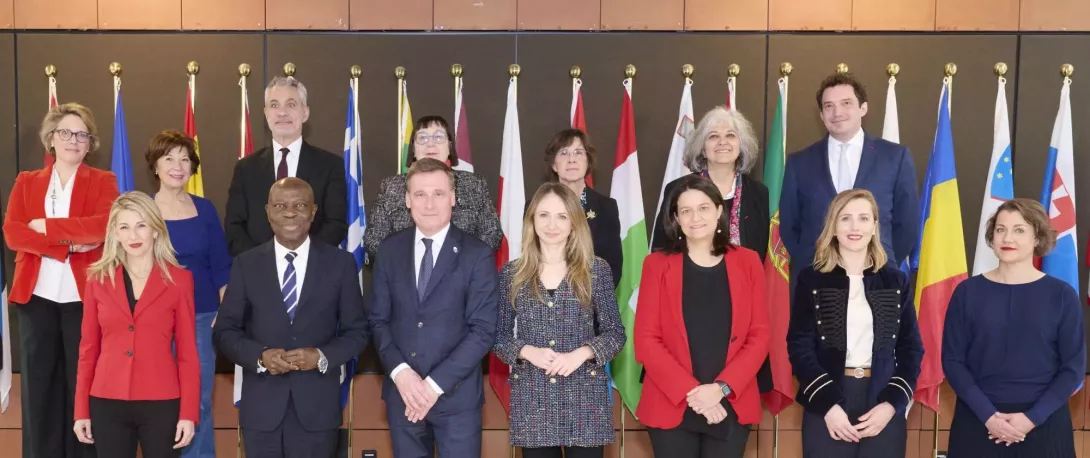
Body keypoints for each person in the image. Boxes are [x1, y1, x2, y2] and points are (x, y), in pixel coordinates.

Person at [213, 177, 369, 458]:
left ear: (313, 211)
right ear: (267, 211)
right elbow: (225, 332)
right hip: (261, 411)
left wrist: (321, 356)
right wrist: (260, 357)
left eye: (300, 205)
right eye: (280, 205)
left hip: (317, 411)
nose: (290, 212)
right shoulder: (246, 264)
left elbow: (358, 332)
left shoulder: (340, 264)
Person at [3, 102, 119, 458]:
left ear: (89, 143)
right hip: (35, 300)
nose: (74, 140)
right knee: (39, 390)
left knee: (80, 391)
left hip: (83, 301)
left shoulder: (104, 181)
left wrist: (48, 228)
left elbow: (102, 227)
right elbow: (13, 234)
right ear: (51, 138)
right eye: (66, 132)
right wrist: (65, 246)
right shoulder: (27, 181)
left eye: (82, 134)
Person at [368, 158, 499, 458]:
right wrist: (402, 375)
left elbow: (482, 331)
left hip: (457, 400)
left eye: (438, 194)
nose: (429, 203)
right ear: (407, 200)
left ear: (453, 198)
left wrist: (432, 386)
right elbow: (377, 320)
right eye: (420, 194)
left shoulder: (477, 254)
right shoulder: (388, 251)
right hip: (403, 396)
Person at [634, 175, 771, 458]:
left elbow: (760, 336)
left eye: (704, 208)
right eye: (685, 211)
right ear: (676, 218)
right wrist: (695, 394)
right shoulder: (656, 265)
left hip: (730, 402)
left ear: (720, 210)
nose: (695, 217)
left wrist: (719, 389)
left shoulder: (748, 262)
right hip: (672, 402)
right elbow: (646, 340)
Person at [943, 198, 1085, 457]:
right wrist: (988, 416)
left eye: (1019, 230)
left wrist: (1031, 419)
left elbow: (1073, 368)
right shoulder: (967, 292)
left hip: (1043, 425)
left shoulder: (1062, 295)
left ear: (1037, 238)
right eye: (1000, 229)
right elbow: (952, 360)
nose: (1007, 237)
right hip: (978, 422)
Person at [786, 189, 923, 457]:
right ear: (833, 227)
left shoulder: (895, 282)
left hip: (881, 400)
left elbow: (911, 349)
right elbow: (799, 346)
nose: (854, 226)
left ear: (874, 227)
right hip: (828, 401)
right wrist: (828, 405)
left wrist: (891, 405)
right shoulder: (811, 280)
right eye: (845, 218)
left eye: (863, 218)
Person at [494, 182, 626, 458]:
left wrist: (583, 353)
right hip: (533, 399)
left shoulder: (596, 270)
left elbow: (615, 333)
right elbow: (497, 335)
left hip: (586, 400)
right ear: (532, 220)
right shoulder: (512, 273)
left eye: (562, 216)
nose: (552, 224)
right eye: (544, 215)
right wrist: (526, 351)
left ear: (574, 222)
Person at [72, 191, 199, 458]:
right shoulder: (97, 280)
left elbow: (188, 355)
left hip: (162, 402)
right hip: (107, 402)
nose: (133, 236)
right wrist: (81, 410)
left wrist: (188, 414)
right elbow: (88, 351)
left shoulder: (180, 281)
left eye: (141, 225)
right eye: (125, 227)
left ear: (155, 229)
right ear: (115, 233)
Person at [779, 73, 919, 293]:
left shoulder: (895, 157)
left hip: (878, 278)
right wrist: (817, 260)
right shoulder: (799, 162)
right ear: (821, 115)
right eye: (829, 106)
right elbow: (790, 226)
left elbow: (907, 224)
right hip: (816, 280)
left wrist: (877, 258)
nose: (837, 113)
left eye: (846, 103)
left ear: (863, 108)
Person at [144, 129, 231, 458]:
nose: (177, 166)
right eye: (169, 158)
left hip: (201, 318)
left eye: (184, 159)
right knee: (157, 405)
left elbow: (221, 265)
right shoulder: (142, 209)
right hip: (153, 323)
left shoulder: (205, 209)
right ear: (155, 165)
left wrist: (225, 310)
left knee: (198, 404)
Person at [224, 76, 347, 256]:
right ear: (266, 113)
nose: (282, 113)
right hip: (259, 272)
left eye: (291, 104)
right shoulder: (245, 168)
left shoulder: (330, 165)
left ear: (305, 113)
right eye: (274, 105)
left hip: (313, 271)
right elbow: (234, 227)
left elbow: (336, 224)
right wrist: (265, 263)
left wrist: (301, 259)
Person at [364, 115, 502, 259]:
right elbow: (373, 239)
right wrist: (412, 265)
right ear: (414, 148)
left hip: (463, 274)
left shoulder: (474, 184)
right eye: (422, 138)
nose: (430, 144)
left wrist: (461, 263)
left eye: (438, 137)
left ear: (449, 146)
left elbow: (492, 233)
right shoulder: (391, 187)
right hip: (406, 274)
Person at [651, 107, 769, 263]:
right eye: (713, 136)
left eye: (730, 135)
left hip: (741, 282)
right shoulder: (678, 190)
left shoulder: (758, 193)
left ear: (741, 147)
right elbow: (661, 250)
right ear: (703, 149)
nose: (722, 142)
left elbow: (760, 252)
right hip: (689, 282)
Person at [529, 129, 622, 287]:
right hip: (544, 300)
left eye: (579, 152)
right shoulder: (536, 206)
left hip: (591, 301)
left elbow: (613, 267)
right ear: (554, 164)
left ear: (588, 162)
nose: (572, 159)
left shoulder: (607, 207)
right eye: (564, 153)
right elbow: (531, 257)